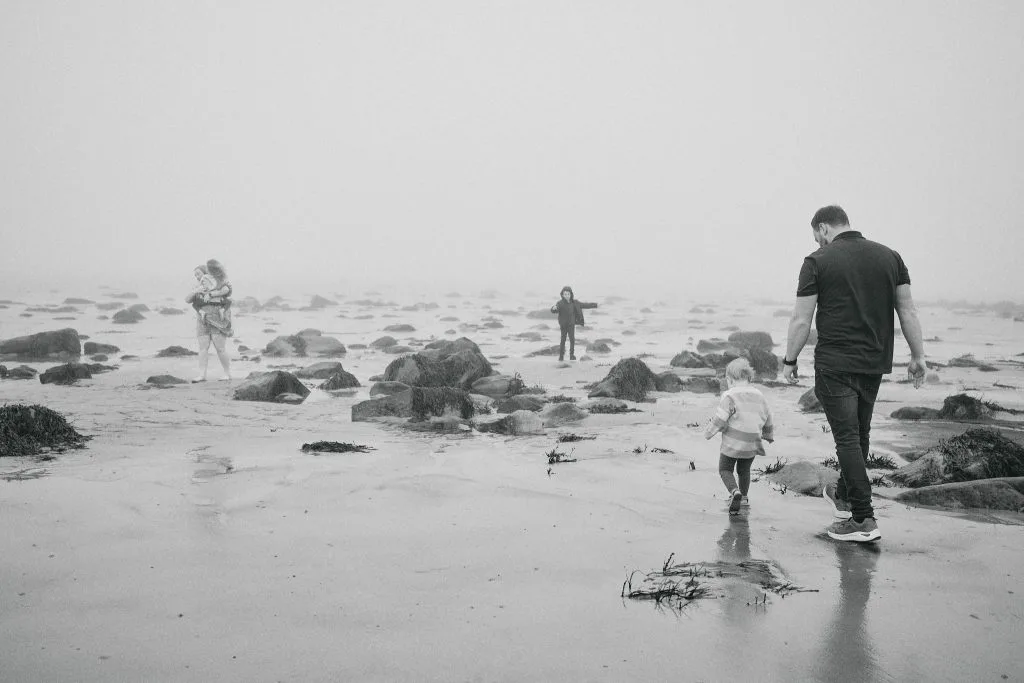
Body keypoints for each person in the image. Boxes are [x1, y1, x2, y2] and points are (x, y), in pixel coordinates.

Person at [783, 205, 926, 542]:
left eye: (816, 235)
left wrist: (790, 360)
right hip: (874, 362)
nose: (817, 242)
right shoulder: (891, 257)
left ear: (822, 228)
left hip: (835, 363)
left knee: (847, 437)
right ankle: (846, 496)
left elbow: (801, 319)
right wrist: (918, 356)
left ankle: (863, 519)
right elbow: (907, 310)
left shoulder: (816, 261)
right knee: (859, 433)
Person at [703, 358, 775, 514]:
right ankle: (744, 498)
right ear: (749, 378)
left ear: (729, 380)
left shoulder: (729, 395)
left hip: (733, 443)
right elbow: (768, 415)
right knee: (744, 471)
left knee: (725, 469)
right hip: (752, 442)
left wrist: (708, 432)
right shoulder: (759, 395)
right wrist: (768, 434)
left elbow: (720, 419)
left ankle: (735, 492)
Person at [185, 259, 233, 382]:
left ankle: (227, 373)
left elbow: (228, 295)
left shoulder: (219, 284)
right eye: (195, 275)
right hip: (202, 319)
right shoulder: (198, 287)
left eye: (198, 274)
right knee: (203, 348)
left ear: (206, 273)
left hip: (217, 318)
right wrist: (197, 290)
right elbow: (188, 300)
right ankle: (202, 375)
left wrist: (213, 295)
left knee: (220, 347)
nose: (197, 277)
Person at [549, 285, 584, 361]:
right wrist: (553, 308)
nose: (567, 296)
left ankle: (572, 355)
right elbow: (554, 310)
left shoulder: (573, 303)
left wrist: (596, 305)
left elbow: (584, 305)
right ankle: (561, 356)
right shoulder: (560, 303)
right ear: (562, 294)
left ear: (571, 294)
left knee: (572, 340)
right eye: (565, 294)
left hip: (571, 325)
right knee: (563, 340)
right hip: (563, 325)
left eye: (568, 294)